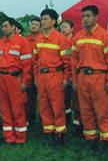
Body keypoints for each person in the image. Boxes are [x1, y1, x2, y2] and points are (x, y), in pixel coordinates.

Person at [70, 5, 108, 150]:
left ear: (96, 17)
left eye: (88, 16)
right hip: (82, 77)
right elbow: (73, 60)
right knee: (86, 110)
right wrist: (75, 80)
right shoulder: (78, 37)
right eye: (83, 16)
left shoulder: (105, 36)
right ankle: (91, 140)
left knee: (102, 111)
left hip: (99, 77)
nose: (85, 19)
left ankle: (107, 141)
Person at [34, 9, 71, 144]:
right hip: (42, 76)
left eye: (46, 19)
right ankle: (48, 132)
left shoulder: (61, 39)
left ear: (54, 21)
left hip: (55, 75)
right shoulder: (38, 39)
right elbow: (35, 60)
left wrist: (66, 78)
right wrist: (36, 76)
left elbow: (67, 61)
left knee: (57, 106)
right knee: (44, 105)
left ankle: (60, 133)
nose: (43, 21)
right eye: (42, 19)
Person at [0, 17, 33, 144]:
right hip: (2, 78)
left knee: (18, 108)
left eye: (6, 26)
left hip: (15, 79)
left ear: (13, 27)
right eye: (2, 26)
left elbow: (27, 64)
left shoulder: (22, 42)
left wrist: (25, 82)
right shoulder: (0, 43)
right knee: (5, 108)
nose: (4, 29)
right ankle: (9, 137)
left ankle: (21, 137)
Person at [60, 20, 79, 132]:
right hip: (63, 74)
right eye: (61, 27)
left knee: (76, 101)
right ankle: (66, 121)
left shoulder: (75, 41)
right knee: (64, 100)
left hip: (74, 74)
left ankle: (77, 123)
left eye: (65, 27)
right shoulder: (60, 40)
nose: (63, 29)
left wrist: (73, 75)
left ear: (72, 29)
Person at [25, 17, 41, 127]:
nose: (34, 26)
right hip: (28, 72)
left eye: (36, 24)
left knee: (42, 99)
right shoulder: (25, 40)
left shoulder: (42, 39)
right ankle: (31, 120)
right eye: (32, 24)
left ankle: (43, 120)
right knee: (29, 97)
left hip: (40, 73)